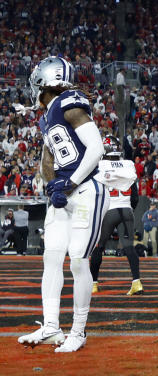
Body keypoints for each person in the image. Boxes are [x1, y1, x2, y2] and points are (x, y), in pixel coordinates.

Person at [18, 57, 108, 353]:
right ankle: (51, 327)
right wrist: (51, 185)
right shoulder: (46, 116)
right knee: (51, 257)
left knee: (79, 260)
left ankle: (78, 331)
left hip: (86, 190)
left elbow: (96, 148)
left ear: (47, 79)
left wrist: (69, 183)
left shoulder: (69, 102)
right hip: (64, 195)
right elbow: (48, 158)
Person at [90, 136, 141, 296]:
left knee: (98, 248)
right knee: (129, 247)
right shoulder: (128, 164)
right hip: (126, 209)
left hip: (109, 210)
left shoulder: (100, 165)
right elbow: (135, 196)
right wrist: (128, 207)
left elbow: (95, 191)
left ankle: (93, 283)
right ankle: (136, 282)